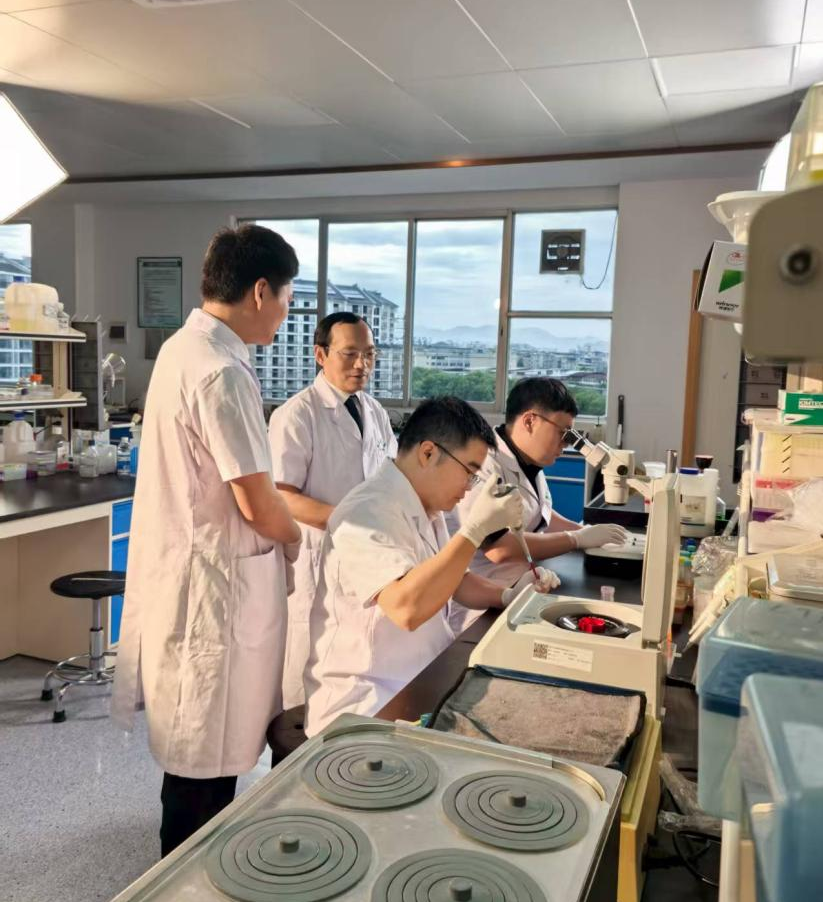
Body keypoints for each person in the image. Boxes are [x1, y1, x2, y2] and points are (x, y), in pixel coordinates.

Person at [111, 223, 301, 857]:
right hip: (213, 596)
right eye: (287, 298)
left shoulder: (183, 349)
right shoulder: (221, 372)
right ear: (260, 291)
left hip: (197, 577)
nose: (286, 311)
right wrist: (297, 539)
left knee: (198, 764)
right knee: (202, 776)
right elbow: (257, 503)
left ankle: (188, 884)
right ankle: (182, 899)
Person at [303, 396, 557, 737]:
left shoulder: (426, 507)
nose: (468, 488)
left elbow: (455, 580)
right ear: (427, 453)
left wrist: (508, 595)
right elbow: (406, 608)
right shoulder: (365, 513)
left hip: (416, 679)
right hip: (367, 702)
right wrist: (473, 532)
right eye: (469, 472)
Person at [267, 311, 396, 710]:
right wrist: (349, 521)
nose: (362, 365)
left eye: (369, 354)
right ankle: (292, 746)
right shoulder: (296, 415)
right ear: (320, 355)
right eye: (350, 354)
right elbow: (281, 495)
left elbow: (390, 480)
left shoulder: (375, 412)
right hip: (317, 559)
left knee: (356, 671)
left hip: (366, 562)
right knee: (306, 669)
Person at [448, 377, 627, 631]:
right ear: (530, 421)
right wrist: (576, 539)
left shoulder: (529, 462)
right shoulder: (486, 466)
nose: (566, 444)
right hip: (484, 607)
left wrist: (586, 532)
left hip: (523, 589)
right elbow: (499, 548)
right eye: (563, 433)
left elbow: (541, 515)